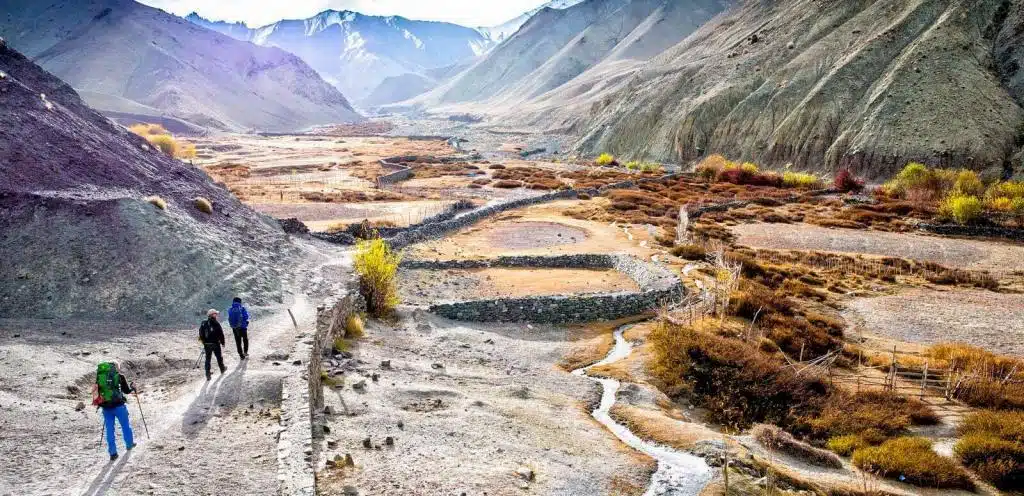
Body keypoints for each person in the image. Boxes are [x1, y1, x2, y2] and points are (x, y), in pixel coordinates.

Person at [93, 362, 136, 460]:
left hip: (106, 407)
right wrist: (133, 388)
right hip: (119, 406)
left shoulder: (100, 376)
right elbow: (126, 391)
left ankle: (113, 453)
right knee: (125, 425)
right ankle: (129, 444)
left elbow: (97, 391)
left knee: (109, 430)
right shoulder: (120, 376)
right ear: (117, 368)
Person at [199, 309, 227, 380]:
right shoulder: (216, 323)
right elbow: (221, 334)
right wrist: (223, 342)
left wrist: (204, 342)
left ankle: (207, 374)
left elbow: (200, 334)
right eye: (215, 314)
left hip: (207, 344)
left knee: (208, 359)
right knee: (219, 357)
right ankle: (222, 368)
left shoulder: (203, 323)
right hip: (215, 343)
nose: (216, 315)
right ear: (212, 315)